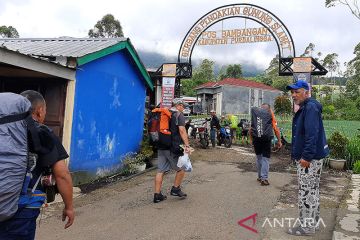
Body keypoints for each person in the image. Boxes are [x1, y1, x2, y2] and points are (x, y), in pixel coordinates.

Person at [0, 90, 75, 240]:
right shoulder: (42, 132)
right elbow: (62, 175)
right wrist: (69, 207)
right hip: (23, 209)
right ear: (40, 111)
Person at [286, 80, 329, 236]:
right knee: (313, 191)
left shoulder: (309, 107)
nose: (293, 95)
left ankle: (306, 227)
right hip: (313, 157)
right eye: (292, 92)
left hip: (309, 159)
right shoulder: (307, 107)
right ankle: (314, 223)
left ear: (306, 92)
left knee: (306, 192)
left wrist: (306, 156)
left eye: (297, 92)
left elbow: (312, 134)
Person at [153, 98, 191, 203]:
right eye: (183, 106)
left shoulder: (164, 114)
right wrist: (187, 145)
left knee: (160, 170)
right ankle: (175, 189)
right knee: (182, 168)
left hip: (161, 146)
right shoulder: (179, 115)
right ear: (178, 105)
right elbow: (182, 130)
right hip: (172, 148)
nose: (183, 108)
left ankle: (157, 195)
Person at [250, 103, 282, 186]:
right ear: (269, 109)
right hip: (266, 140)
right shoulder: (269, 114)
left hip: (256, 139)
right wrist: (279, 141)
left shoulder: (256, 115)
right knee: (265, 159)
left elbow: (251, 129)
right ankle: (264, 179)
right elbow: (276, 129)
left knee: (259, 158)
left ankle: (260, 177)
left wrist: (252, 140)